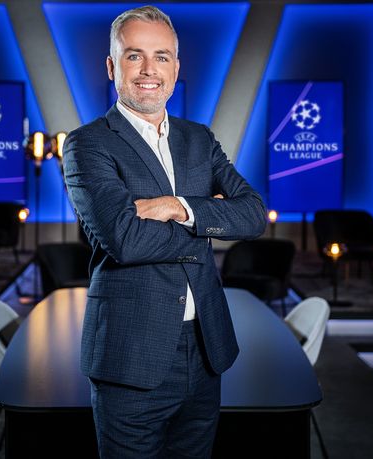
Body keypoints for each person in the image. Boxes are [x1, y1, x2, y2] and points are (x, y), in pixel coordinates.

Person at [63, 5, 266, 458]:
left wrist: (177, 207)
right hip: (130, 356)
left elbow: (254, 215)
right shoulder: (88, 143)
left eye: (162, 56)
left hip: (206, 348)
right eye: (134, 56)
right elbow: (125, 240)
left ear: (176, 67)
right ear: (112, 66)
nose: (149, 70)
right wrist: (207, 222)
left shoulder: (199, 139)